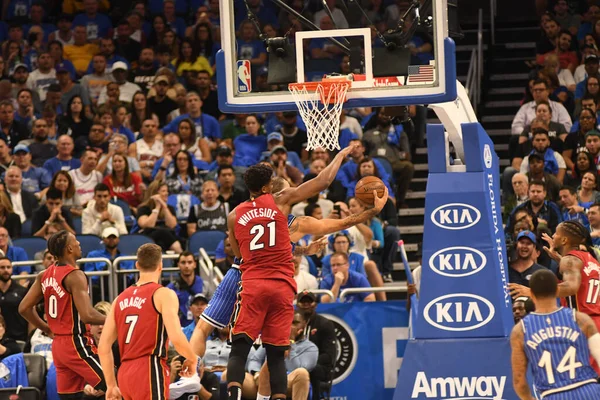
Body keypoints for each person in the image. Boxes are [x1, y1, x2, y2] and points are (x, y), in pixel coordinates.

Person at [189, 146, 384, 357]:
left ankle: (192, 372)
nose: (295, 193)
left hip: (241, 272)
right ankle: (265, 389)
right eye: (290, 189)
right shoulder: (294, 224)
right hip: (269, 281)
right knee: (275, 350)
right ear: (276, 193)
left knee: (208, 330)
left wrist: (301, 250)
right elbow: (328, 197)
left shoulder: (240, 213)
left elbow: (246, 249)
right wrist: (371, 209)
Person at [98, 243, 201, 400]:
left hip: (125, 373)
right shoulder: (163, 294)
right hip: (149, 368)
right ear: (160, 266)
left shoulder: (120, 298)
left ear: (137, 265)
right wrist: (192, 358)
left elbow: (103, 347)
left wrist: (111, 385)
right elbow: (176, 337)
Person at [18, 231, 108, 398]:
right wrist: (116, 317)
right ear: (69, 248)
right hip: (76, 342)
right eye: (76, 242)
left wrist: (46, 328)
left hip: (58, 345)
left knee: (70, 397)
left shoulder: (43, 275)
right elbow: (87, 315)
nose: (79, 244)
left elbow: (23, 308)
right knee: (115, 383)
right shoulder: (75, 275)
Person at [510, 269, 600, 399]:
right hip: (588, 391)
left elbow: (519, 381)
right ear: (557, 291)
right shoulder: (581, 319)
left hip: (553, 395)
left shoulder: (520, 330)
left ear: (532, 295)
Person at [250, 311, 318, 400]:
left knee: (302, 373)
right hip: (264, 381)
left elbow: (295, 368)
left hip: (288, 382)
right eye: (289, 322)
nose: (291, 326)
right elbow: (255, 359)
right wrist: (257, 374)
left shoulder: (311, 348)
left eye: (295, 323)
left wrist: (290, 341)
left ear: (304, 324)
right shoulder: (274, 340)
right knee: (232, 375)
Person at [296, 290, 336, 400]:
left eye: (309, 302)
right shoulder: (290, 323)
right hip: (294, 363)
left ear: (316, 305)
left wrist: (306, 363)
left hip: (319, 366)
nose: (306, 305)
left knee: (312, 370)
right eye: (303, 302)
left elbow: (328, 355)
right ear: (297, 304)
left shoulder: (325, 324)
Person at [136, 181, 183, 253]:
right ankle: (179, 252)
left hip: (167, 239)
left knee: (166, 235)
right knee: (161, 232)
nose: (167, 193)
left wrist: (164, 206)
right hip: (149, 238)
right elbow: (148, 226)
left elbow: (172, 225)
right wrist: (157, 207)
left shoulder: (169, 208)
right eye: (163, 191)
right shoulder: (144, 208)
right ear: (155, 193)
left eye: (167, 191)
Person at [167, 251, 205, 327]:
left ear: (195, 264)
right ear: (178, 265)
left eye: (190, 262)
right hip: (179, 329)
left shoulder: (205, 286)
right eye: (183, 262)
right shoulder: (170, 289)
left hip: (201, 328)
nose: (186, 266)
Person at [0, 258, 29, 341]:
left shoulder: (22, 291)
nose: (6, 270)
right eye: (2, 267)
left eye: (8, 267)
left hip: (19, 338)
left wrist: (29, 337)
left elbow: (30, 315)